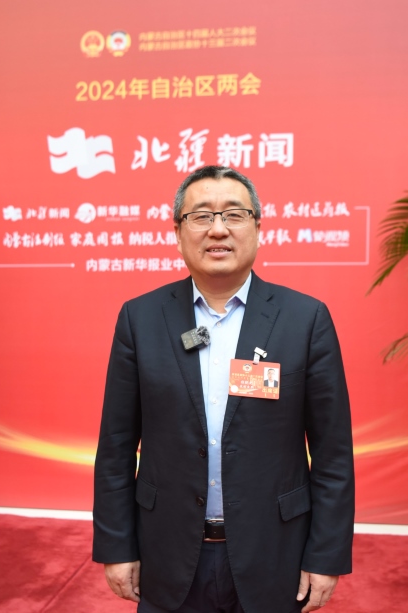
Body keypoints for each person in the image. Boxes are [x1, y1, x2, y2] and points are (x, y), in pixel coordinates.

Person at [93, 166, 354, 613]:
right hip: (168, 552)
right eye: (201, 216)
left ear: (258, 228)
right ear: (178, 233)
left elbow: (332, 454)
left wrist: (325, 556)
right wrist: (117, 546)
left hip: (274, 552)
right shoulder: (140, 318)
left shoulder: (305, 319)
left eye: (234, 214)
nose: (218, 229)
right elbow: (116, 446)